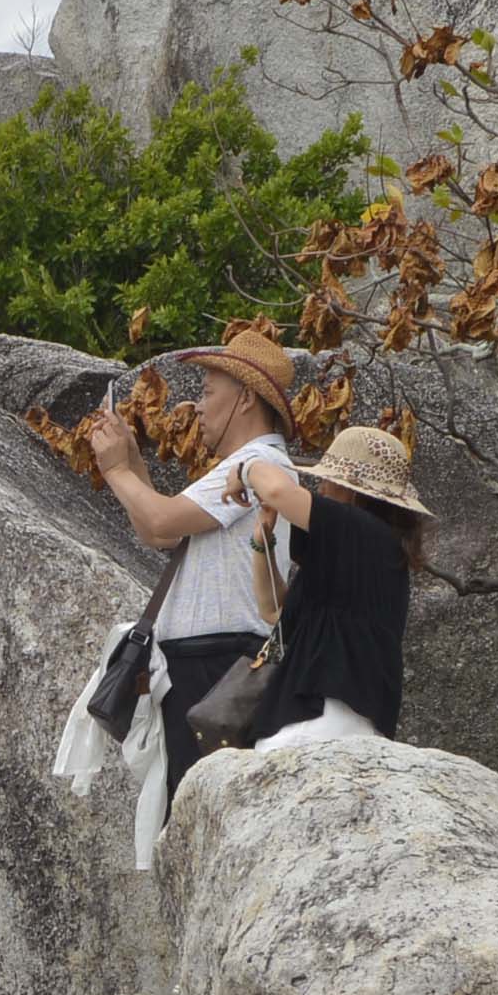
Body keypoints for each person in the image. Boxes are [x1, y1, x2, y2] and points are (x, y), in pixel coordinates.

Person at [81, 322, 302, 790]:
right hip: (207, 661)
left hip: (219, 661)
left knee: (194, 801)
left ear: (245, 398)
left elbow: (161, 523)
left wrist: (116, 468)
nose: (197, 406)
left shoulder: (257, 465)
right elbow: (158, 531)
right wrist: (132, 462)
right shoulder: (246, 466)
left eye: (206, 391)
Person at [239, 424, 430, 749]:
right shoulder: (362, 552)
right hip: (324, 716)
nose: (322, 487)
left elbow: (276, 491)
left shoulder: (364, 531)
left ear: (354, 490)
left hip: (322, 716)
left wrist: (245, 467)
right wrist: (263, 546)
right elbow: (274, 611)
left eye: (331, 479)